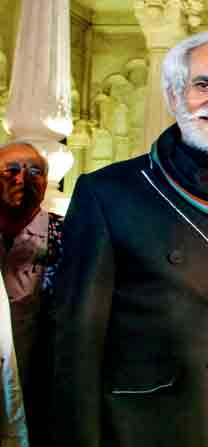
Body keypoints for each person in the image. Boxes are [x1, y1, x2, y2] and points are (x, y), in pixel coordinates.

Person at [49, 31, 208, 446]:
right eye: (204, 85)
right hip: (146, 426)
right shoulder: (108, 193)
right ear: (172, 94)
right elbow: (77, 345)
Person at [0, 141, 62, 446]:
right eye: (11, 169)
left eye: (34, 170)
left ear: (46, 181)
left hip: (44, 383)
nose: (21, 178)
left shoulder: (68, 233)